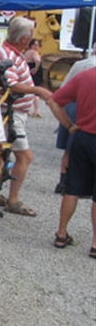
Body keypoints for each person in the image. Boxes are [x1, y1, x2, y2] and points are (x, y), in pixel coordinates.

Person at [0, 17, 52, 217]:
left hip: (14, 112)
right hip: (11, 113)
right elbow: (11, 84)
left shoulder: (12, 53)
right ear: (25, 38)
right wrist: (37, 90)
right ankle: (13, 199)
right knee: (25, 157)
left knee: (1, 155)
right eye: (32, 35)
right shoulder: (8, 55)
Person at [45, 67, 96, 258]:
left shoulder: (84, 76)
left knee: (72, 189)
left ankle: (61, 233)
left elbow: (53, 100)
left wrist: (68, 125)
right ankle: (95, 244)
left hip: (82, 137)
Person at [53, 45, 96, 194]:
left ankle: (63, 181)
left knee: (69, 148)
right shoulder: (92, 68)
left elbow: (64, 86)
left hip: (71, 104)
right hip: (87, 107)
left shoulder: (80, 64)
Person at [23, 39, 43, 117]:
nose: (36, 46)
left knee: (27, 91)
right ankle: (36, 110)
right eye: (34, 44)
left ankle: (27, 109)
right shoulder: (33, 52)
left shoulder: (26, 52)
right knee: (35, 92)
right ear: (31, 45)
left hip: (27, 72)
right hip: (34, 73)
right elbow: (38, 60)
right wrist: (36, 68)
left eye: (37, 45)